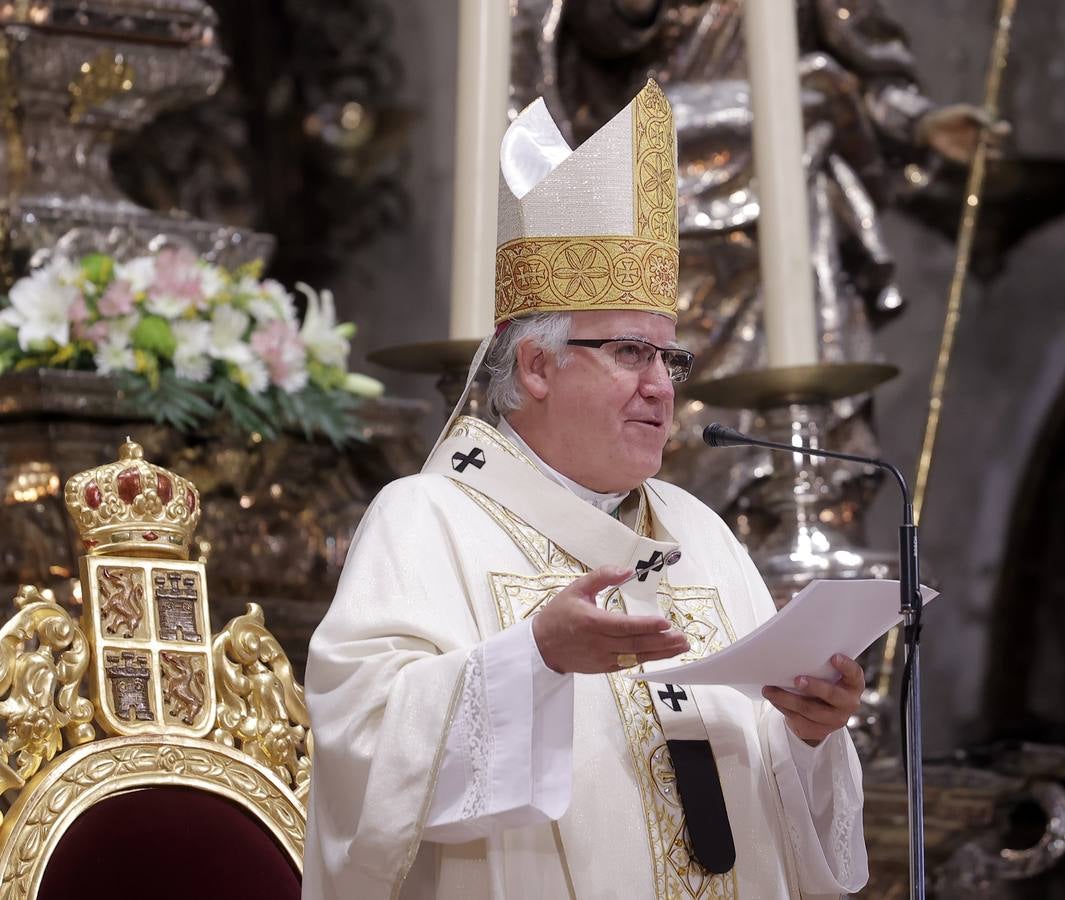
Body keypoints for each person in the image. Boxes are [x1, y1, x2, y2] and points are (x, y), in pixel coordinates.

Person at [302, 80, 869, 900]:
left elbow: (773, 790)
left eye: (669, 362)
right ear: (535, 366)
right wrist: (531, 659)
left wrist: (811, 736)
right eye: (631, 354)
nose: (661, 389)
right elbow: (360, 749)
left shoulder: (701, 533)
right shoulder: (426, 520)